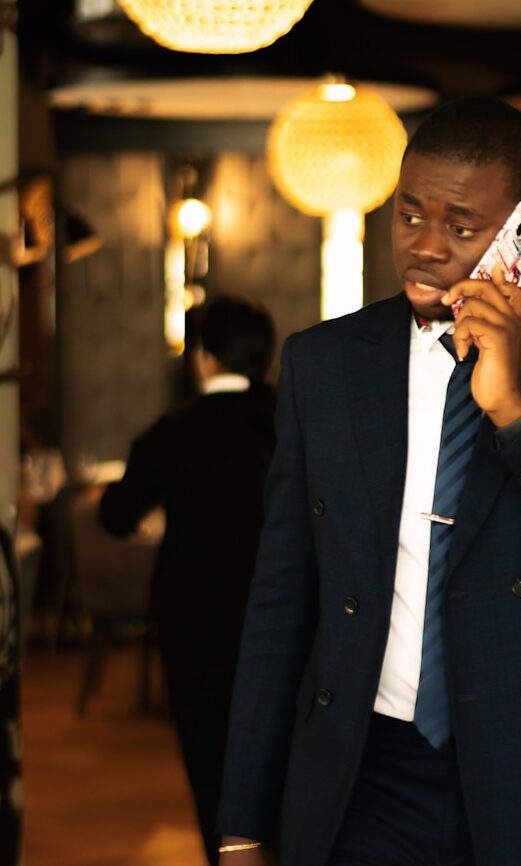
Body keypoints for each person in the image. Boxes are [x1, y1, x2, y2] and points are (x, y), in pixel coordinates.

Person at [216, 98, 521, 866]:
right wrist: (241, 823)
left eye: (462, 227)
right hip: (364, 774)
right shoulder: (325, 364)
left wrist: (515, 413)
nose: (426, 247)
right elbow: (281, 599)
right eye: (409, 216)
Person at [99, 294, 277, 865]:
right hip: (282, 618)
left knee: (211, 763)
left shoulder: (173, 431)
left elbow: (116, 516)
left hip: (194, 621)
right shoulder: (293, 420)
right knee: (286, 756)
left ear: (204, 356)